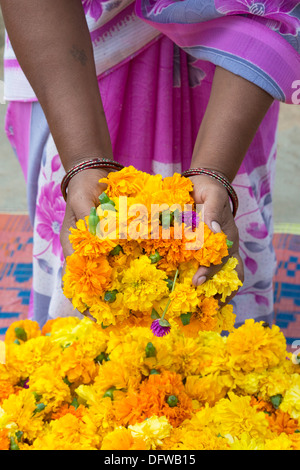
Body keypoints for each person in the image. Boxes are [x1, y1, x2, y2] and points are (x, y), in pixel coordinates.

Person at [1, 0, 299, 328]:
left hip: (235, 79)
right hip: (72, 65)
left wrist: (215, 169)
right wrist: (83, 161)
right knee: (88, 258)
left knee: (216, 276)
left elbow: (276, 6)